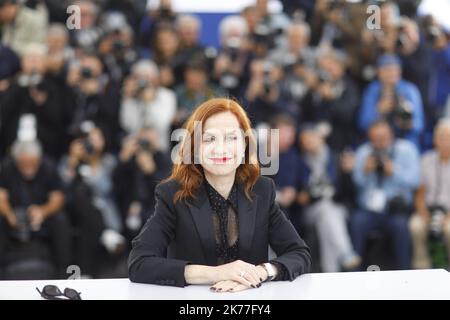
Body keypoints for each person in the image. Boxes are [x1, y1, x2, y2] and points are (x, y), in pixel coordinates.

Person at [128, 98, 311, 291]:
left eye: (232, 138)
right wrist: (217, 273)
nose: (221, 148)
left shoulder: (262, 191)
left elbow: (299, 253)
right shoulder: (173, 194)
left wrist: (261, 272)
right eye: (209, 139)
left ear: (245, 146)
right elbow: (139, 263)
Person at [351, 120, 420, 270]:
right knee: (357, 222)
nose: (379, 143)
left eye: (382, 138)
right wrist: (365, 171)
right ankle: (354, 272)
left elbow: (415, 181)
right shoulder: (364, 151)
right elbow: (356, 183)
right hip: (369, 210)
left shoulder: (406, 149)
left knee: (400, 227)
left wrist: (394, 171)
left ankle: (405, 273)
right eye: (375, 139)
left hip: (395, 210)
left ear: (391, 135)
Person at [409, 119, 450, 269]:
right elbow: (420, 193)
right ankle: (421, 271)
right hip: (428, 209)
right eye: (442, 138)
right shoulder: (426, 160)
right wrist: (424, 213)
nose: (445, 142)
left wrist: (446, 218)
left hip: (448, 213)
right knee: (416, 226)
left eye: (448, 138)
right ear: (434, 140)